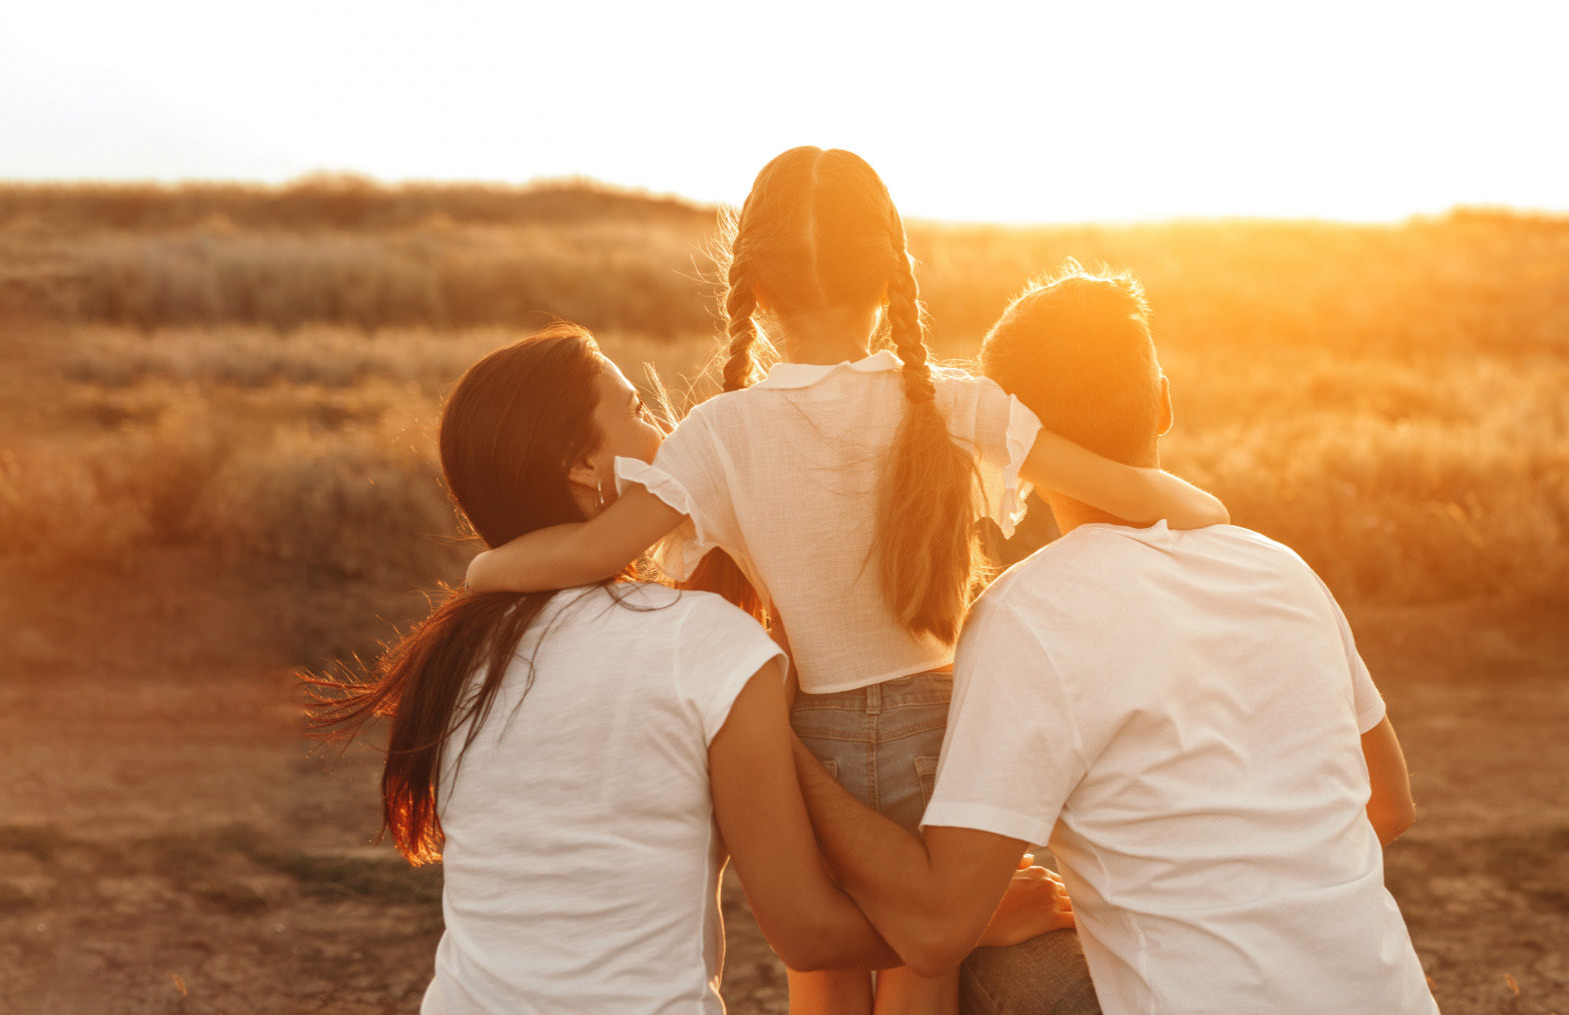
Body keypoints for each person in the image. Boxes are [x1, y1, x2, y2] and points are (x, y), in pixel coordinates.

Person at [463, 148, 1228, 1014]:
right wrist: (1207, 509)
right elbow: (1135, 491)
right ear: (891, 272)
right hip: (944, 733)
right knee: (923, 957)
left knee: (821, 968)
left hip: (808, 729)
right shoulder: (947, 400)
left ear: (753, 280)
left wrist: (485, 567)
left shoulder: (717, 433)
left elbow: (582, 554)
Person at [305, 325, 1075, 1014]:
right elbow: (807, 930)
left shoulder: (455, 654)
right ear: (583, 466)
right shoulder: (700, 643)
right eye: (637, 410)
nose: (666, 430)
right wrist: (970, 919)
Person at [789, 266, 1440, 1015]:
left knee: (985, 952)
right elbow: (1389, 805)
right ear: (1162, 403)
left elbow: (936, 926)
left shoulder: (1028, 613)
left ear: (1010, 452)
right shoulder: (1281, 566)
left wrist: (787, 754)